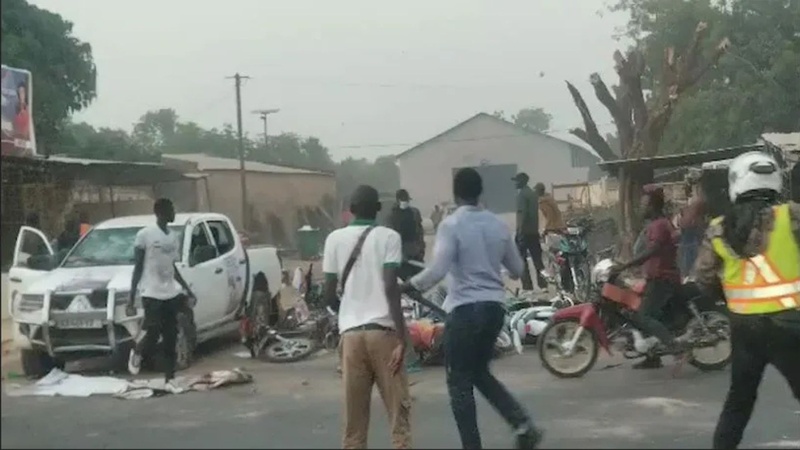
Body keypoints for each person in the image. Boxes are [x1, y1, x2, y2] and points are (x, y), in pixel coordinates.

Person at [403, 168, 542, 450]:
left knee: (459, 382)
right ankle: (522, 424)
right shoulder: (498, 225)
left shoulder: (451, 225)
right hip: (494, 308)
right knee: (478, 372)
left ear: (456, 193)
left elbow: (438, 269)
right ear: (480, 193)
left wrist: (410, 285)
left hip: (465, 309)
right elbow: (516, 269)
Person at [691, 152, 800, 449]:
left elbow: (703, 278)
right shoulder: (791, 215)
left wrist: (730, 299)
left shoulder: (718, 228)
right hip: (789, 325)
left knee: (739, 401)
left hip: (744, 328)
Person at [323, 185, 411, 449]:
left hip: (350, 337)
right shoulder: (389, 237)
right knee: (399, 419)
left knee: (354, 425)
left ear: (350, 209)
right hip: (383, 333)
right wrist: (403, 336)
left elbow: (328, 295)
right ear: (378, 209)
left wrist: (349, 312)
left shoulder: (334, 239)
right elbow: (390, 287)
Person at [610, 185, 686, 369]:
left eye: (644, 204)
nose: (640, 208)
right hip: (654, 277)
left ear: (652, 206)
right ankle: (652, 357)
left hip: (663, 279)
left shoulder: (659, 225)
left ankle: (676, 348)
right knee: (633, 310)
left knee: (642, 316)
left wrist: (627, 265)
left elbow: (653, 250)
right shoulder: (656, 224)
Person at [126, 198, 195, 391]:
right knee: (153, 331)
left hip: (169, 292)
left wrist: (187, 290)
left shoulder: (173, 237)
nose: (174, 213)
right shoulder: (145, 235)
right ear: (160, 212)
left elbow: (173, 266)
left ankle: (170, 378)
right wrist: (132, 297)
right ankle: (138, 351)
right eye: (171, 209)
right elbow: (138, 267)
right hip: (151, 291)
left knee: (171, 335)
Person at [513, 173, 547, 292]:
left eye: (517, 181)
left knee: (521, 259)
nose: (515, 183)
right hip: (533, 231)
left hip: (524, 232)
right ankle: (543, 284)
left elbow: (522, 214)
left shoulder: (522, 195)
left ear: (522, 181)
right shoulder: (533, 194)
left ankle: (527, 286)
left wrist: (519, 231)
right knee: (537, 259)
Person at [534, 182, 571, 290]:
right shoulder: (551, 200)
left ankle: (555, 279)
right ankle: (563, 282)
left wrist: (544, 230)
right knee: (561, 256)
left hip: (551, 230)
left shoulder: (543, 203)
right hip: (560, 228)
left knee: (552, 255)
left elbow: (548, 217)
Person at [387, 188, 425, 280]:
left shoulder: (414, 212)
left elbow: (420, 231)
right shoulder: (392, 216)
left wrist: (421, 248)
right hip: (401, 251)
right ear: (398, 200)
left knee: (419, 278)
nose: (405, 202)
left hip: (414, 249)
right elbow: (391, 236)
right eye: (403, 200)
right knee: (405, 279)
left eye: (407, 200)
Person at [678, 182, 706, 277]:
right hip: (688, 228)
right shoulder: (694, 201)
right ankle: (688, 274)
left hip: (691, 227)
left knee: (690, 251)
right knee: (689, 251)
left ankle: (689, 274)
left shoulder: (697, 201)